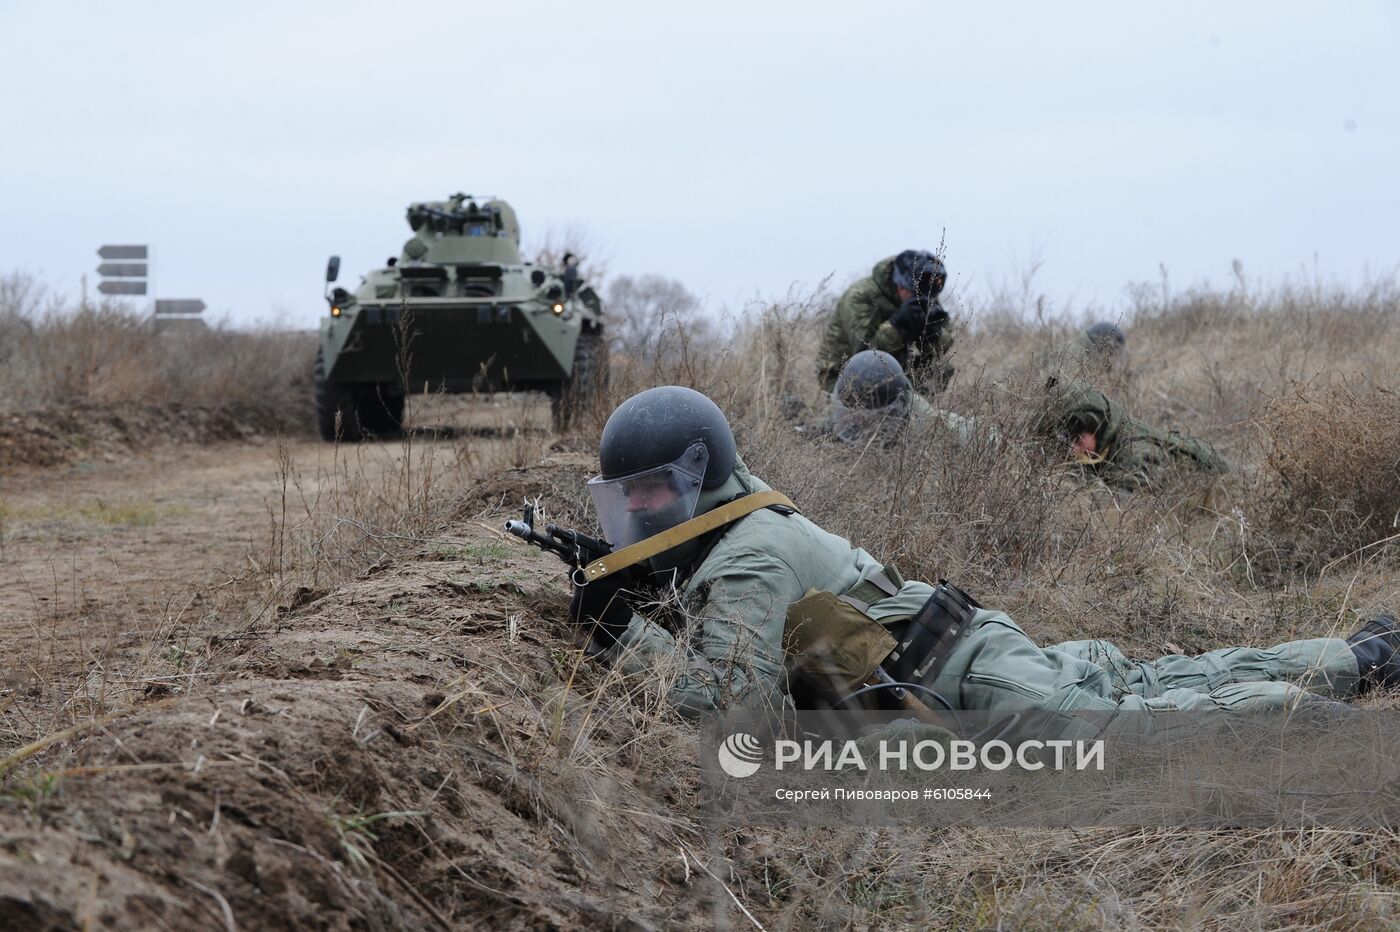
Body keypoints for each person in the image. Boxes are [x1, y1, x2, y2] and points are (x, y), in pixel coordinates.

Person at [569, 385, 1391, 726]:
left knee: (1146, 720)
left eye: (649, 491)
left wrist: (621, 636)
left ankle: (1301, 710)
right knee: (1150, 679)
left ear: (696, 476)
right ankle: (1360, 656)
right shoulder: (739, 522)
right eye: (626, 496)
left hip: (973, 681)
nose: (637, 510)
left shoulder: (748, 555)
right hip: (967, 648)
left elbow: (726, 710)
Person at [816, 250, 954, 395]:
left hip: (895, 366)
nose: (921, 299)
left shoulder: (924, 292)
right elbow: (864, 356)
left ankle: (913, 411)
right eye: (916, 294)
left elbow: (942, 346)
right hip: (845, 375)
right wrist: (897, 325)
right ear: (900, 286)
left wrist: (932, 335)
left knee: (941, 368)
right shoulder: (861, 296)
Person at [825, 349, 985, 449]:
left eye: (866, 415)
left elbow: (981, 437)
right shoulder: (843, 408)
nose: (859, 419)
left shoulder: (923, 422)